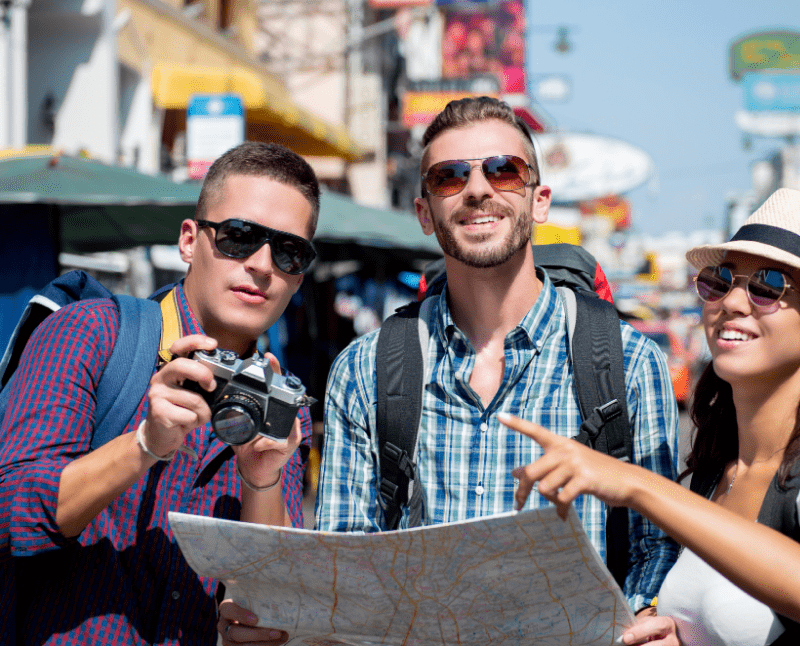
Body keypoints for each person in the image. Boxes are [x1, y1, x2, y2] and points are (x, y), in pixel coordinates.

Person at [278, 96, 676, 637]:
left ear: (539, 201)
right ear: (424, 213)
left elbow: (657, 548)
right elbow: (350, 557)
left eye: (503, 170)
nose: (478, 189)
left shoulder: (627, 363)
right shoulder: (365, 369)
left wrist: (639, 619)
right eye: (448, 177)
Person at [0, 141, 319, 645]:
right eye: (239, 236)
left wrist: (261, 483)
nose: (262, 264)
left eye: (289, 251)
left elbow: (272, 607)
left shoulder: (278, 407)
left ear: (300, 276)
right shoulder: (92, 333)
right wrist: (143, 445)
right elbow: (11, 513)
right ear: (189, 241)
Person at [504, 186, 800, 646]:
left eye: (768, 286)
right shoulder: (712, 472)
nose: (733, 303)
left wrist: (635, 484)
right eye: (720, 280)